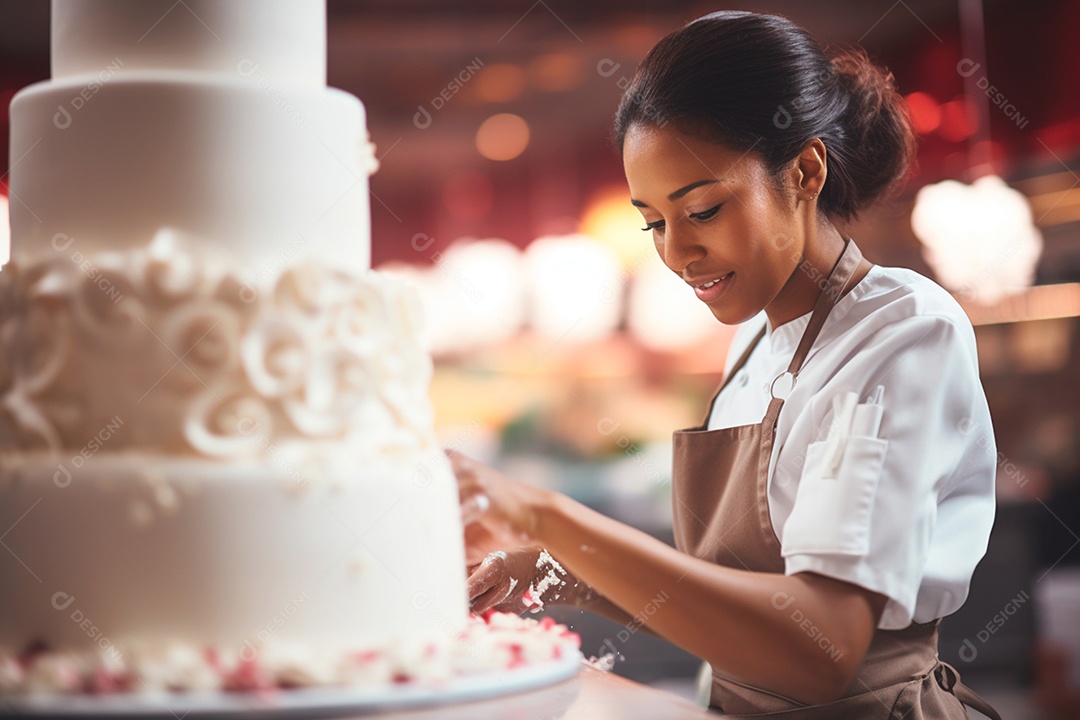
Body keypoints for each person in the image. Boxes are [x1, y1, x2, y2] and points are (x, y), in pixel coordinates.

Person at [451, 11, 1000, 718]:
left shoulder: (902, 333)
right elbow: (725, 605)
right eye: (654, 222)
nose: (677, 253)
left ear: (805, 172)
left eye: (703, 210)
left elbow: (818, 648)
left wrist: (546, 515)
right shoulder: (751, 343)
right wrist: (545, 568)